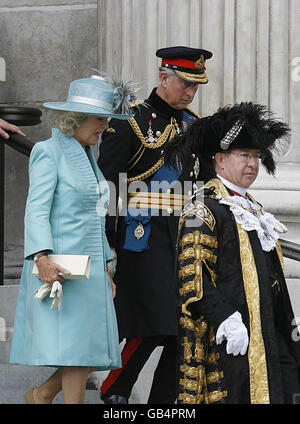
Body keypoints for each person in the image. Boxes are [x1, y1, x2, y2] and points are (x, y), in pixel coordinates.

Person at [9, 74, 136, 404]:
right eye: (100, 119)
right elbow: (36, 210)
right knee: (80, 351)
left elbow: (93, 220)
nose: (105, 127)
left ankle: (41, 394)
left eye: (107, 120)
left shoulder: (88, 154)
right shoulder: (48, 152)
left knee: (94, 347)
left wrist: (107, 268)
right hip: (61, 267)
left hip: (90, 270)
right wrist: (40, 257)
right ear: (75, 118)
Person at [98, 46, 213, 404]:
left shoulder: (195, 125)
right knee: (157, 321)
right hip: (142, 238)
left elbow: (205, 185)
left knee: (183, 329)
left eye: (196, 86)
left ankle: (162, 404)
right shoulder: (129, 120)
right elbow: (107, 186)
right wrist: (104, 248)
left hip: (185, 235)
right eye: (184, 84)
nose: (190, 93)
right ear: (163, 78)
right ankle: (114, 387)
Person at [164, 102, 300, 404]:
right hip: (228, 338)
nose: (252, 163)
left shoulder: (253, 208)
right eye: (243, 155)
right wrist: (226, 318)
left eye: (255, 156)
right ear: (220, 161)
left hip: (267, 336)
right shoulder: (202, 208)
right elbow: (192, 278)